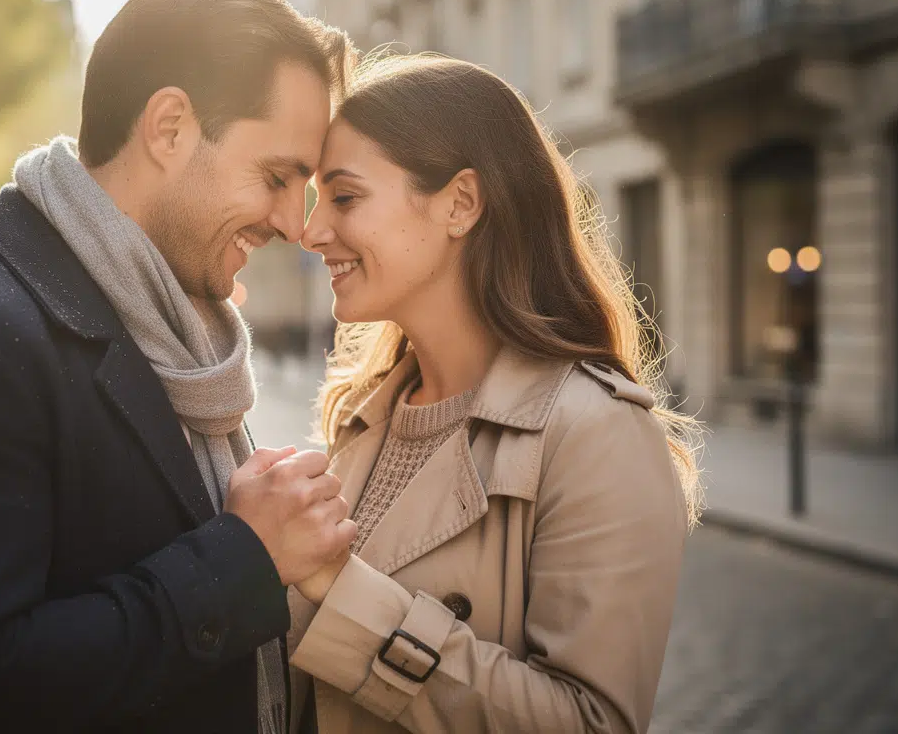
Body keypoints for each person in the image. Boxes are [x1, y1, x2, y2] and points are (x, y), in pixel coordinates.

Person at [0, 0, 356, 733]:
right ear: (169, 126)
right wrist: (241, 557)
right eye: (277, 177)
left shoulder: (179, 336)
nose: (294, 222)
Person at [286, 55, 705, 734]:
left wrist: (341, 593)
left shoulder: (597, 434)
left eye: (344, 196)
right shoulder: (363, 418)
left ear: (460, 203)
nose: (311, 231)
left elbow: (590, 723)